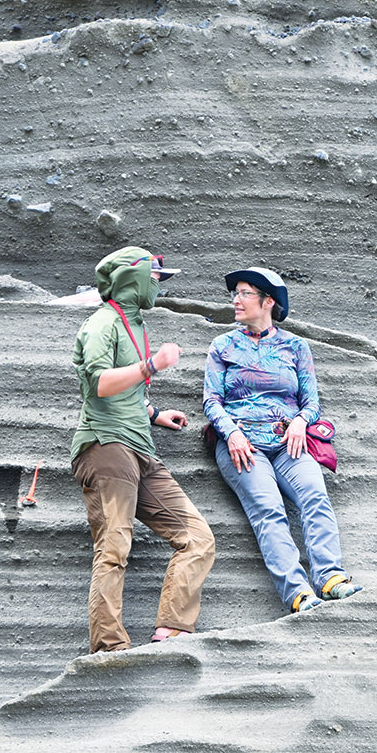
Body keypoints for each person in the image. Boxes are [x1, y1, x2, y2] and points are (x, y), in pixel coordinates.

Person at [70, 246, 216, 652]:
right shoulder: (102, 324)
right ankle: (109, 647)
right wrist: (152, 365)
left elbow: (126, 389)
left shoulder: (132, 325)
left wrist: (153, 413)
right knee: (114, 549)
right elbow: (98, 384)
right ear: (132, 276)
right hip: (106, 446)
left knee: (197, 537)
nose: (158, 285)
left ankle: (171, 629)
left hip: (141, 449)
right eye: (155, 276)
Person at [203, 266, 360, 614]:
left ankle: (331, 579)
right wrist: (232, 435)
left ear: (268, 301)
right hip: (243, 446)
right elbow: (211, 401)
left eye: (245, 293)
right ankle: (298, 594)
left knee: (316, 497)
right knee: (269, 510)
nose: (236, 300)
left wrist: (301, 422)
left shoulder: (295, 346)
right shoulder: (223, 345)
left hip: (290, 442)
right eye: (236, 293)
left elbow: (312, 402)